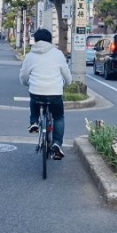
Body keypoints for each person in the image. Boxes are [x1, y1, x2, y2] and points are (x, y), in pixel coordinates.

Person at [19, 28, 72, 160]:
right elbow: (67, 77)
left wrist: (27, 83)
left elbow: (23, 76)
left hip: (36, 92)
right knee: (59, 117)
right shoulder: (58, 54)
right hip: (55, 93)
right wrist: (64, 84)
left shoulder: (30, 56)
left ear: (35, 40)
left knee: (34, 100)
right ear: (50, 40)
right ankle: (57, 143)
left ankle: (34, 122)